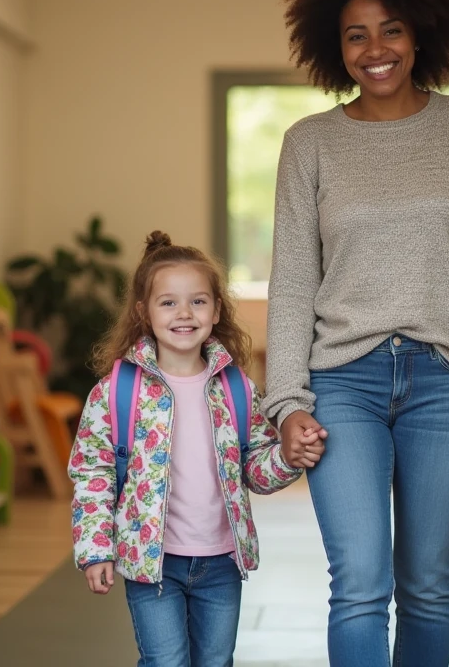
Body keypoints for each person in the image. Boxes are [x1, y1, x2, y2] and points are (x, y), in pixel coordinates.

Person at [261, 0, 449, 667]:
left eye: (391, 28)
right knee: (358, 583)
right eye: (356, 34)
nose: (375, 48)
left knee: (426, 586)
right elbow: (292, 281)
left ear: (422, 33)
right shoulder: (309, 143)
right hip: (342, 383)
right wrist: (287, 403)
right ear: (335, 47)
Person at [69, 231, 324, 667]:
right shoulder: (116, 392)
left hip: (221, 561)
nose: (184, 313)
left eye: (198, 301)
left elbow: (255, 468)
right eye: (168, 302)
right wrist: (95, 548)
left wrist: (286, 456)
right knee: (166, 661)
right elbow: (92, 474)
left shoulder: (236, 388)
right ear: (143, 313)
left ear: (216, 309)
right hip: (153, 565)